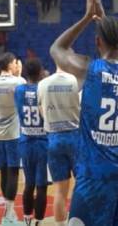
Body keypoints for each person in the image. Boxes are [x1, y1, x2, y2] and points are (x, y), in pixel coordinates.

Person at [50, 0, 118, 226]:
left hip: (94, 174)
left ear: (97, 42)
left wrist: (88, 17)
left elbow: (57, 49)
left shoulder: (89, 69)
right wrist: (106, 20)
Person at [37, 66, 80, 226]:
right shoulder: (76, 81)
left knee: (60, 192)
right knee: (81, 187)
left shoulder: (43, 83)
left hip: (54, 138)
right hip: (75, 137)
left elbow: (41, 111)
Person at [0, 52, 26, 225]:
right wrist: (19, 73)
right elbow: (22, 90)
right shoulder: (19, 81)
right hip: (13, 134)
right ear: (10, 65)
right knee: (13, 172)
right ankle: (9, 212)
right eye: (15, 62)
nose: (17, 65)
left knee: (3, 172)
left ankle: (8, 209)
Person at [14, 58, 48, 226]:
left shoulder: (19, 90)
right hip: (43, 142)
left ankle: (27, 220)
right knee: (41, 185)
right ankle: (39, 222)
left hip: (26, 142)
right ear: (40, 72)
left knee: (29, 184)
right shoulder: (44, 89)